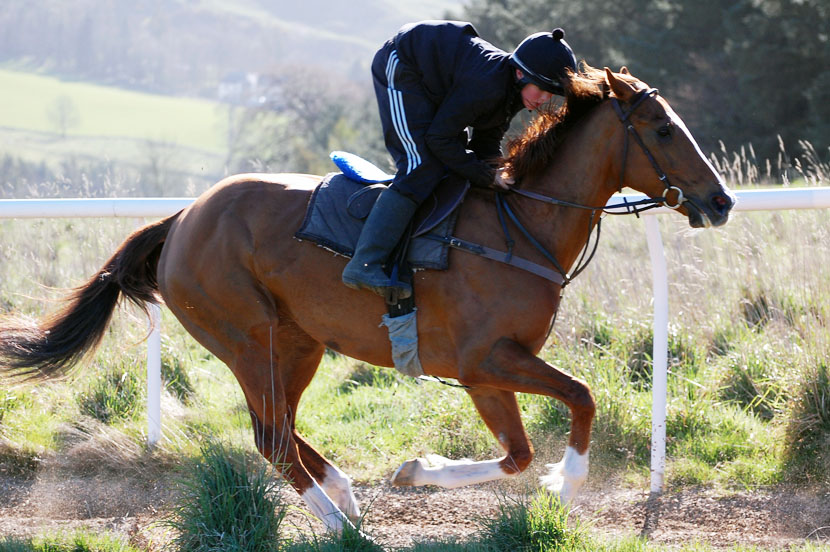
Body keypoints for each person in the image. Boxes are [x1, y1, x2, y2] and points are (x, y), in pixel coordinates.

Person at [342, 20, 577, 299]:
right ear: (519, 73)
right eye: (542, 88)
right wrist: (488, 176)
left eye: (551, 93)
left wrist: (498, 171)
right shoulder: (487, 85)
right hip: (402, 62)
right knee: (421, 166)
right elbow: (439, 139)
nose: (545, 99)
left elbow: (486, 142)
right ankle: (364, 263)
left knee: (457, 163)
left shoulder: (514, 93)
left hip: (436, 78)